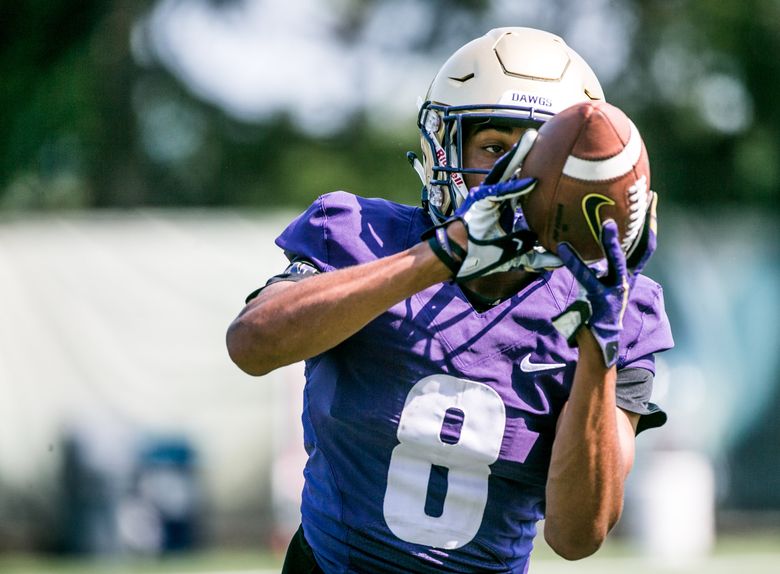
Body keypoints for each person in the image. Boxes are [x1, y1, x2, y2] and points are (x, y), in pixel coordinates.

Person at [227, 27, 673, 573]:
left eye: (539, 157)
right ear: (445, 149)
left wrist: (599, 352)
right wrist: (440, 256)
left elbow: (579, 535)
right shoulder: (360, 235)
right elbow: (252, 345)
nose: (520, 177)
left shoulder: (617, 304)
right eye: (494, 148)